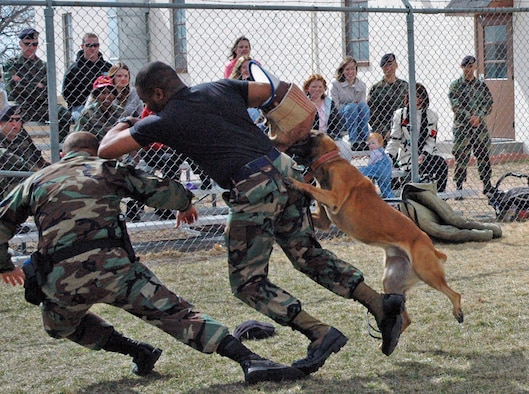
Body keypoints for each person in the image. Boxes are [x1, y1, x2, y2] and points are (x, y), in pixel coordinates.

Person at [98, 61, 406, 375]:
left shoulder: (162, 119)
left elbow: (105, 150)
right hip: (285, 169)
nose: (147, 107)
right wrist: (287, 132)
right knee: (308, 254)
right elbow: (281, 91)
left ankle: (319, 333)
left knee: (247, 283)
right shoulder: (219, 87)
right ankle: (380, 304)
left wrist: (127, 120)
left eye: (147, 100)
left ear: (159, 93)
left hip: (252, 187)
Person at [0, 131, 304, 385]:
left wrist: (5, 265)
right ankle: (250, 360)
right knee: (177, 314)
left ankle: (137, 351)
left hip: (62, 281)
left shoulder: (35, 181)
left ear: (64, 154)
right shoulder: (108, 169)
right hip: (117, 272)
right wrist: (184, 203)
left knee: (59, 325)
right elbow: (161, 191)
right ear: (95, 151)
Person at [3, 28, 71, 142]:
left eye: (35, 44)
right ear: (20, 44)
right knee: (11, 121)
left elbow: (48, 90)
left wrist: (23, 83)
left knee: (65, 114)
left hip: (42, 105)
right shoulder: (11, 64)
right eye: (27, 44)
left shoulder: (43, 65)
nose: (31, 47)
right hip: (21, 105)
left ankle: (58, 149)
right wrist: (36, 86)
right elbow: (12, 89)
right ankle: (19, 151)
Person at [387, 83, 448, 192]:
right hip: (407, 154)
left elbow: (431, 141)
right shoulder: (400, 114)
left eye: (420, 97)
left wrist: (424, 154)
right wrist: (388, 156)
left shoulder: (432, 116)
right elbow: (394, 140)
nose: (417, 101)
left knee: (441, 163)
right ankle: (409, 188)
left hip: (425, 155)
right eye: (414, 97)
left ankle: (439, 196)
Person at [449, 55, 494, 196]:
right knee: (461, 157)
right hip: (463, 127)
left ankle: (487, 184)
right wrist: (469, 117)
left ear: (475, 67)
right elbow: (455, 105)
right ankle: (459, 186)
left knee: (483, 155)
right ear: (462, 67)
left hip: (479, 128)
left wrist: (478, 117)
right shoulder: (456, 85)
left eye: (471, 66)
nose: (469, 69)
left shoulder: (481, 85)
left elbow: (489, 103)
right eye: (466, 66)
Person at [62, 33, 112, 122]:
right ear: (82, 46)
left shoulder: (107, 67)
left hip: (106, 105)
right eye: (89, 45)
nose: (93, 48)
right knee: (86, 119)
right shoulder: (74, 69)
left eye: (95, 45)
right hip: (80, 106)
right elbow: (67, 93)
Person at [367, 53, 409, 143]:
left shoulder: (405, 86)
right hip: (383, 133)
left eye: (390, 64)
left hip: (404, 130)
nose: (388, 67)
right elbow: (372, 114)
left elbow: (410, 109)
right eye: (385, 65)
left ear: (396, 65)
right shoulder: (376, 89)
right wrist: (385, 131)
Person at [330, 56, 370, 149]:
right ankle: (354, 141)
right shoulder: (335, 84)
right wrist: (350, 106)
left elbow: (362, 104)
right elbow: (334, 106)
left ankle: (364, 140)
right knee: (352, 108)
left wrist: (355, 106)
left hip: (357, 115)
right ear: (342, 70)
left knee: (364, 107)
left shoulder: (361, 85)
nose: (350, 72)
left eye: (353, 69)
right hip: (340, 116)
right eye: (347, 69)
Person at [74, 76, 123, 141]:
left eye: (110, 92)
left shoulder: (120, 112)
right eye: (103, 93)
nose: (107, 96)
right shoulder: (87, 113)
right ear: (96, 95)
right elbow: (78, 137)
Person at [304, 74, 344, 140]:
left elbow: (338, 122)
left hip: (328, 137)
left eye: (320, 87)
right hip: (310, 139)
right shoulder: (304, 103)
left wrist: (332, 135)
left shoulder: (329, 102)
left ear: (324, 88)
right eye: (314, 87)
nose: (317, 89)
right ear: (307, 88)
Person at [359, 132, 395, 199]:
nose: (371, 145)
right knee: (385, 187)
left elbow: (371, 162)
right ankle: (391, 199)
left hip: (379, 169)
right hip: (387, 170)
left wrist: (368, 166)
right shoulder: (384, 151)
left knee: (363, 170)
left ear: (380, 143)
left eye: (373, 143)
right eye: (369, 144)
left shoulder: (374, 152)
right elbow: (390, 160)